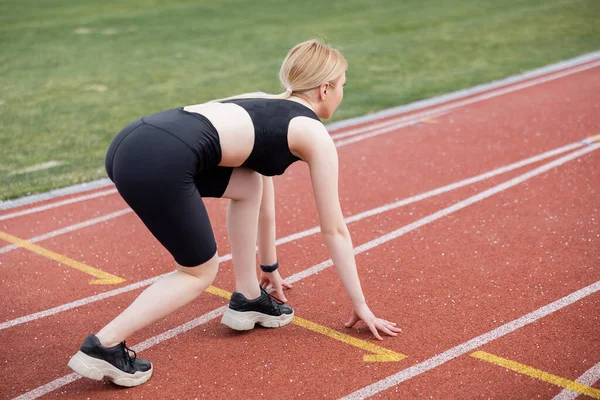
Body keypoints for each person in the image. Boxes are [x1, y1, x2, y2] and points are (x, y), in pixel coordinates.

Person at [67, 39, 401, 387]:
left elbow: (260, 191)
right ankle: (103, 346)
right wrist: (360, 304)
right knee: (197, 272)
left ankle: (249, 299)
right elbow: (334, 230)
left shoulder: (259, 101)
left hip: (133, 140)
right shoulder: (313, 133)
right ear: (325, 88)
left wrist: (269, 268)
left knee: (246, 186)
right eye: (343, 86)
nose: (342, 94)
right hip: (156, 160)